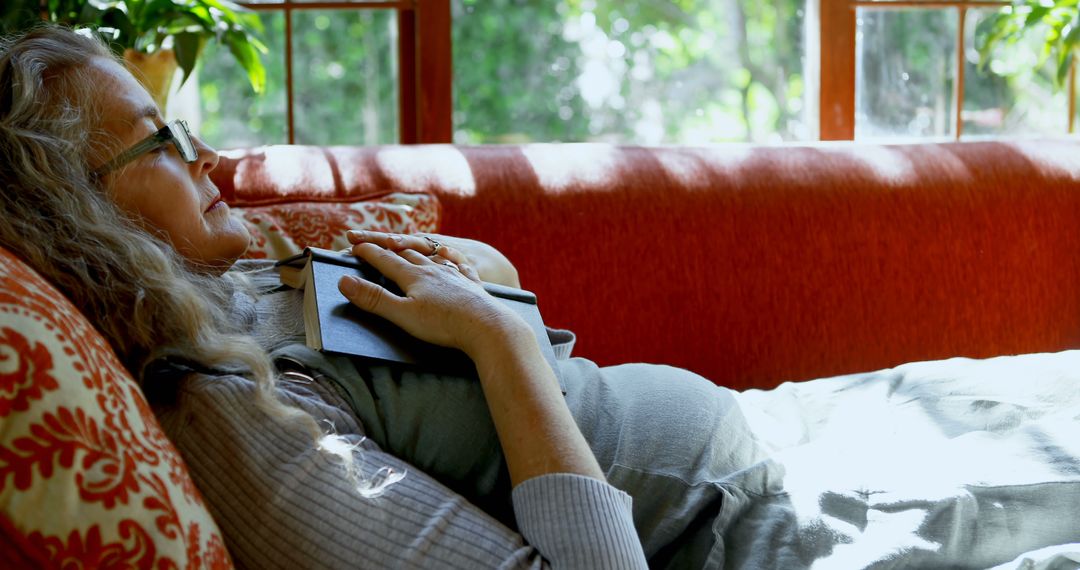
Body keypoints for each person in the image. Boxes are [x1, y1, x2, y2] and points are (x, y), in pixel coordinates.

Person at [0, 25, 763, 569]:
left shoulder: (219, 293)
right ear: (78, 215)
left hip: (725, 486)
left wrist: (462, 292)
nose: (214, 157)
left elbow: (497, 272)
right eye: (161, 141)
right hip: (716, 525)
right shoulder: (222, 412)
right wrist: (497, 341)